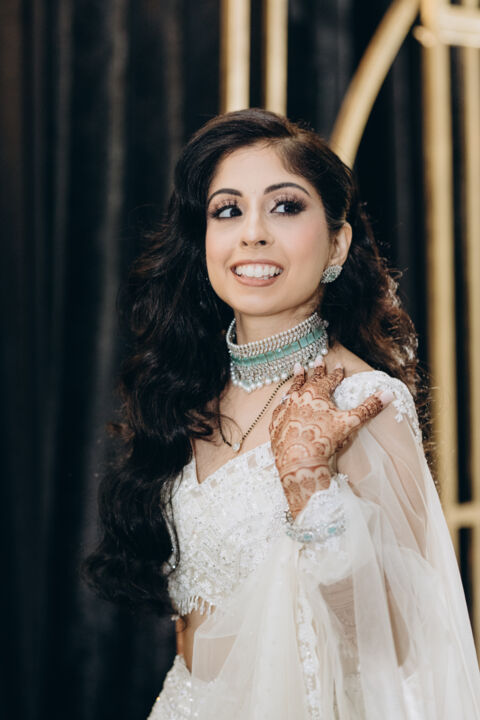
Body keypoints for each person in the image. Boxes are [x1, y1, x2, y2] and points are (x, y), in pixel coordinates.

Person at [84, 108, 480, 719]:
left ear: (337, 244)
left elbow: (400, 638)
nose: (253, 234)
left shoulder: (361, 400)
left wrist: (309, 485)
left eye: (285, 206)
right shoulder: (189, 391)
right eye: (227, 210)